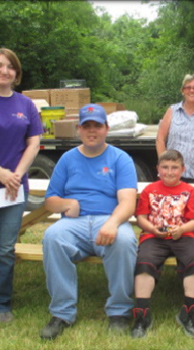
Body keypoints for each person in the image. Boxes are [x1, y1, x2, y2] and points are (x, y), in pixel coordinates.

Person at [40, 104, 138, 340]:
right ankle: (62, 313)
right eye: (87, 126)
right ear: (79, 129)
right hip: (75, 224)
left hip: (108, 218)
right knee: (52, 237)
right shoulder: (67, 159)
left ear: (106, 128)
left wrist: (113, 223)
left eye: (97, 125)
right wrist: (65, 204)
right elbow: (49, 201)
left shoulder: (120, 158)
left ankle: (119, 311)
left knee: (124, 240)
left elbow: (128, 202)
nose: (92, 131)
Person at [131, 149, 194, 339]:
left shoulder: (191, 191)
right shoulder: (149, 190)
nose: (169, 172)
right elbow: (141, 218)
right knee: (144, 262)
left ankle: (188, 313)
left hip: (184, 235)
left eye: (174, 168)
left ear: (182, 169)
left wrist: (182, 229)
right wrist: (152, 229)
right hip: (153, 236)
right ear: (158, 169)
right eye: (165, 167)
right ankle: (142, 315)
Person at [0, 48, 42, 323]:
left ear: (16, 72)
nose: (4, 71)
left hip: (14, 187)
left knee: (5, 248)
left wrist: (14, 175)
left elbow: (34, 142)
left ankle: (3, 304)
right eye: (0, 66)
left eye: (10, 67)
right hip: (4, 179)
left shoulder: (26, 104)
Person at [156, 73, 194, 183]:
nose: (192, 91)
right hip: (173, 175)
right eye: (188, 87)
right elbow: (160, 139)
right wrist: (164, 166)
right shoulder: (172, 111)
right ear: (182, 91)